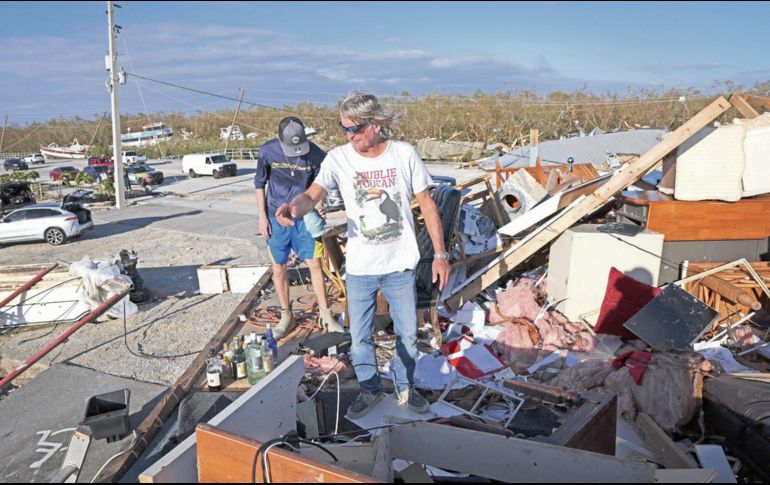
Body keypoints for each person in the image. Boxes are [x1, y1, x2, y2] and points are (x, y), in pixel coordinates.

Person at [275, 92, 451, 418]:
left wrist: (440, 254)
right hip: (359, 268)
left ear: (375, 123)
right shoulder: (339, 158)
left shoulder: (404, 154)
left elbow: (427, 204)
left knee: (408, 335)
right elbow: (312, 195)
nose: (349, 136)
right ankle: (370, 391)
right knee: (359, 338)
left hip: (400, 265)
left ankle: (405, 388)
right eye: (344, 129)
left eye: (355, 129)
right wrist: (294, 209)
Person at [255, 116, 343, 339]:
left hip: (306, 217)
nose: (297, 151)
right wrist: (262, 217)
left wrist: (320, 206)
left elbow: (320, 183)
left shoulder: (315, 153)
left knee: (315, 264)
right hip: (277, 217)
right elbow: (259, 184)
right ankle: (286, 316)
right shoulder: (267, 152)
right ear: (279, 138)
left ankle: (325, 313)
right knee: (279, 268)